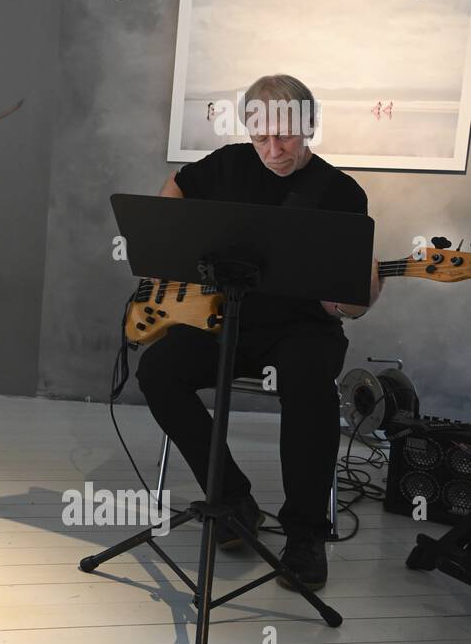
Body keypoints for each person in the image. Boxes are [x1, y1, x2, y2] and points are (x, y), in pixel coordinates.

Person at [136, 74, 382, 590]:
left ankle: (306, 536)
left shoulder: (340, 192)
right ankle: (231, 499)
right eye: (260, 137)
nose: (273, 149)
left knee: (309, 384)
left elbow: (349, 306)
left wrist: (358, 291)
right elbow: (174, 193)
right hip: (223, 318)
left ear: (310, 126)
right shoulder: (226, 165)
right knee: (158, 371)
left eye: (286, 137)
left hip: (300, 328)